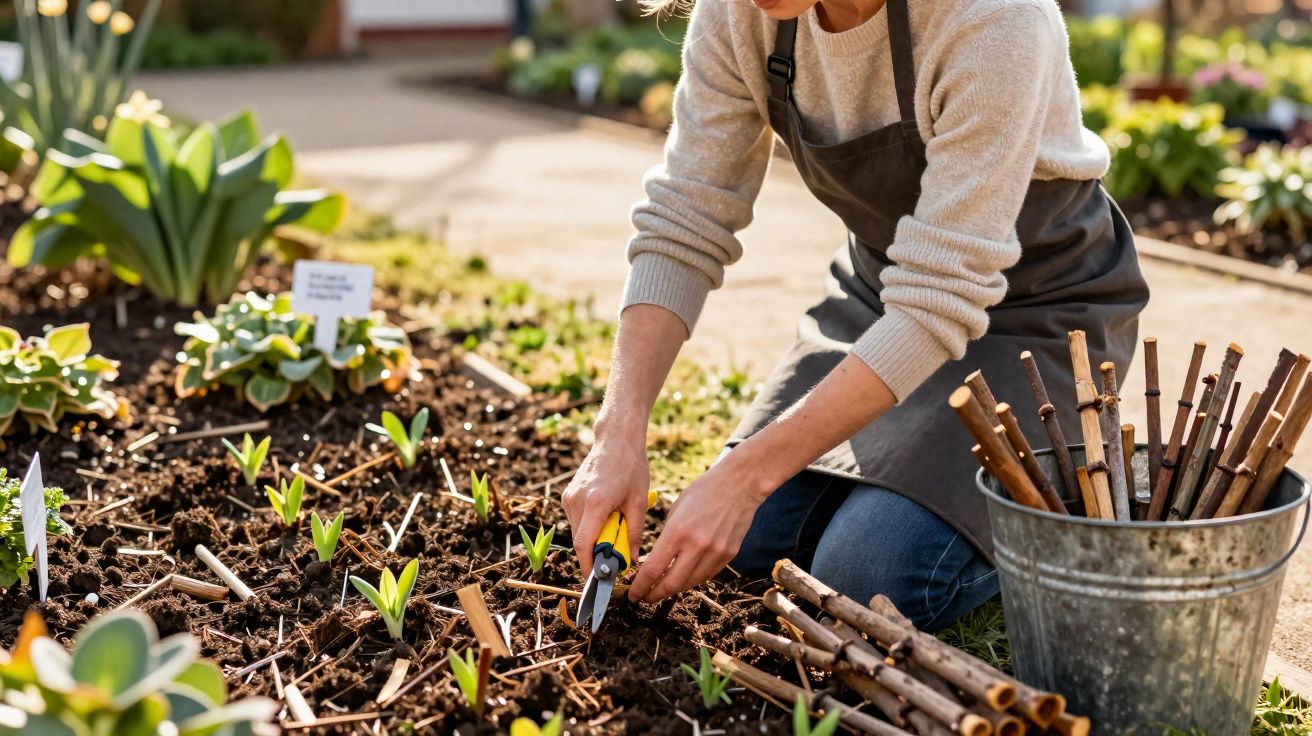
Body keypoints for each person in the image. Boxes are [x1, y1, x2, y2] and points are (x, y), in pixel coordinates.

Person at [561, 0, 1149, 630]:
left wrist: (745, 476)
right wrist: (617, 433)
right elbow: (686, 217)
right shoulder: (739, 13)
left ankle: (1062, 491)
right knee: (752, 546)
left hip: (1036, 318)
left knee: (866, 577)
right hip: (881, 298)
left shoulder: (997, 20)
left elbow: (939, 296)